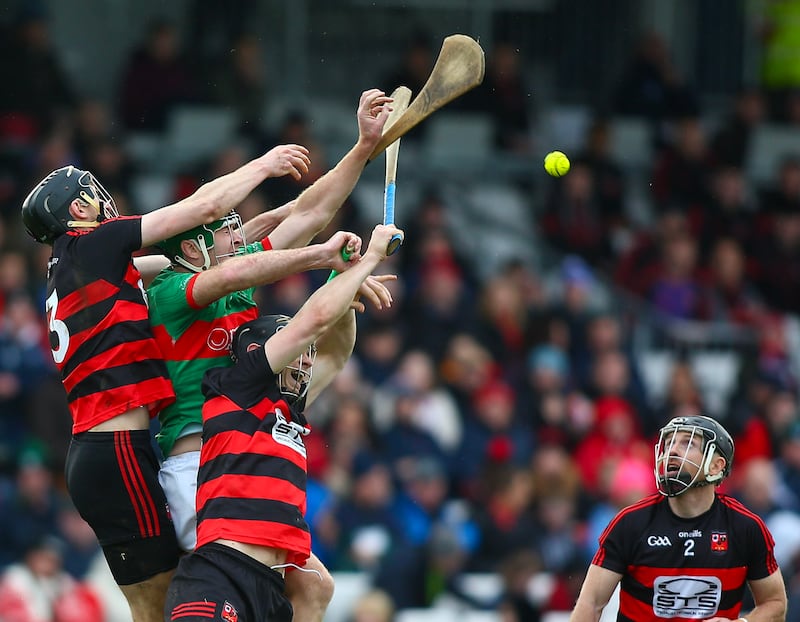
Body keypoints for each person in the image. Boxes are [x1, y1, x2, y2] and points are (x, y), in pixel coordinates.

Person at [19, 143, 311, 622]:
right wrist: (263, 165)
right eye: (91, 193)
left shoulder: (78, 266)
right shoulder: (95, 243)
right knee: (163, 602)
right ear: (77, 209)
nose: (104, 197)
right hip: (117, 453)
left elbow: (203, 254)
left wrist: (280, 216)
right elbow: (206, 209)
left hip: (102, 452)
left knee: (158, 600)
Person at [148, 88, 393, 621]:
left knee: (314, 589)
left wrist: (362, 147)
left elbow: (313, 209)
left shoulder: (229, 281)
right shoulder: (171, 289)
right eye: (226, 228)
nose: (241, 232)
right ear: (192, 249)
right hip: (197, 462)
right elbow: (251, 272)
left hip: (242, 434)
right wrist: (327, 259)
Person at [163, 223, 401, 622]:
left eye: (307, 353)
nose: (307, 359)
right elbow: (313, 320)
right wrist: (370, 257)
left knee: (319, 585)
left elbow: (335, 352)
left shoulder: (284, 408)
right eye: (297, 349)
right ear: (257, 350)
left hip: (268, 586)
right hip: (220, 575)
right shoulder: (237, 388)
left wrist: (343, 280)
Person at [569, 414, 787, 622]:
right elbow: (591, 603)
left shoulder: (746, 528)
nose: (672, 450)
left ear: (716, 466)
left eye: (687, 444)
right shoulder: (629, 523)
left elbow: (775, 603)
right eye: (670, 442)